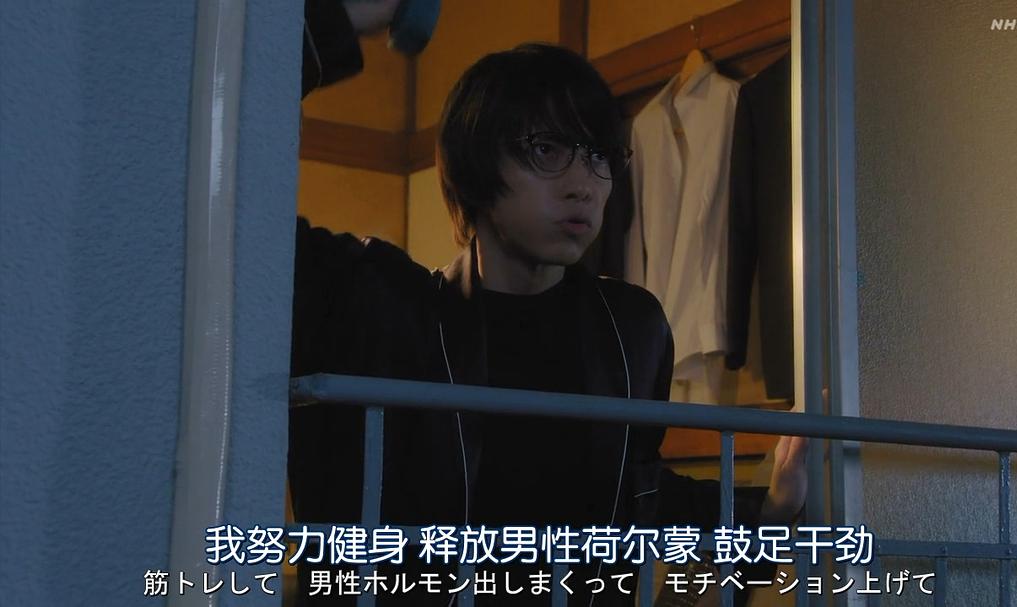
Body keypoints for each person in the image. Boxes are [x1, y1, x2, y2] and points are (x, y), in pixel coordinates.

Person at [290, 41, 807, 606]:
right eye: (546, 149)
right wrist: (326, 28)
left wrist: (772, 506)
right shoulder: (386, 307)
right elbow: (244, 217)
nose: (584, 184)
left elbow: (636, 490)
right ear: (474, 166)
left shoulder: (631, 328)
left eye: (600, 155)